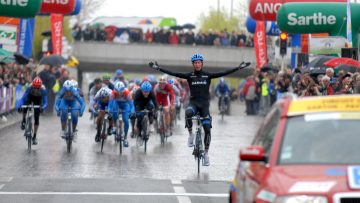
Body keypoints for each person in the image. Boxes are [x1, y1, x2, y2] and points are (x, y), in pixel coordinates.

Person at [148, 53, 250, 166]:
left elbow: (223, 72)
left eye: (199, 62)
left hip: (204, 106)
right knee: (188, 112)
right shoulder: (190, 76)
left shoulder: (207, 75)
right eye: (195, 63)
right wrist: (159, 68)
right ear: (193, 64)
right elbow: (174, 73)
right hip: (194, 104)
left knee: (207, 129)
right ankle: (191, 135)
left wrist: (238, 68)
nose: (197, 64)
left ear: (202, 63)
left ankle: (206, 154)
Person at [16, 77, 47, 145]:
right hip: (30, 97)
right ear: (33, 85)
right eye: (34, 87)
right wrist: (19, 106)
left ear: (40, 87)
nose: (36, 89)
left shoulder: (43, 90)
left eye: (37, 88)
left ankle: (34, 136)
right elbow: (22, 99)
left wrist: (43, 108)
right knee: (25, 105)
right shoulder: (29, 88)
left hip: (38, 100)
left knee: (36, 118)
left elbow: (45, 102)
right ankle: (23, 120)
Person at [109, 81, 135, 147]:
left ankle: (125, 138)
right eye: (117, 92)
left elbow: (132, 105)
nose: (119, 93)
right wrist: (110, 110)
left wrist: (132, 111)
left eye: (120, 92)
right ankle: (114, 126)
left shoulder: (127, 93)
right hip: (116, 104)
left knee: (126, 120)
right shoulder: (113, 93)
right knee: (114, 111)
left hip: (125, 105)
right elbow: (110, 105)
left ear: (123, 90)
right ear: (115, 90)